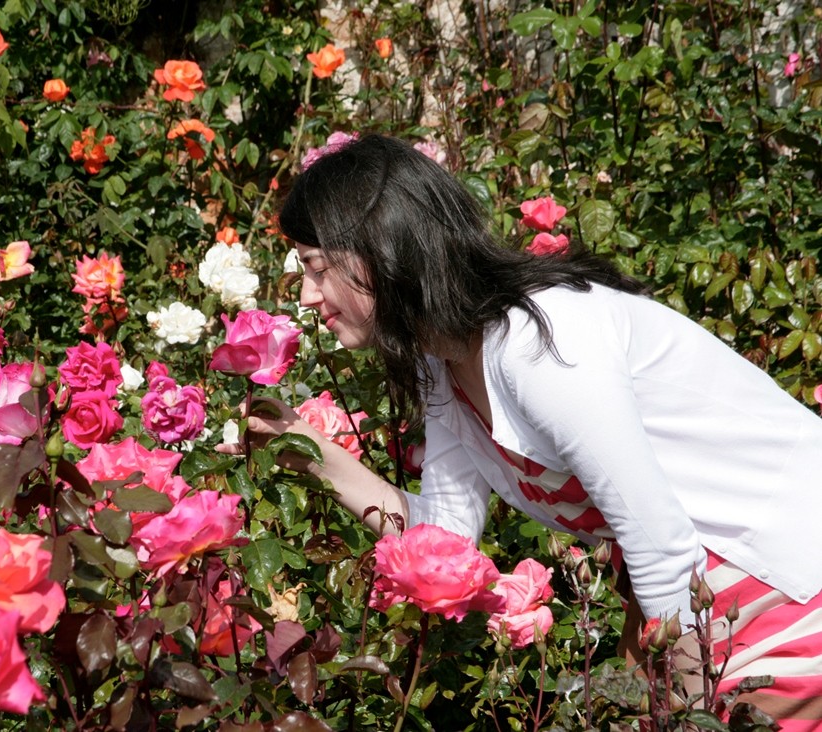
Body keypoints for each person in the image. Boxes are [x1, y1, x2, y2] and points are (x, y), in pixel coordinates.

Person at [221, 134, 822, 727]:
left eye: (317, 268)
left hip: (779, 574)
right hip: (695, 592)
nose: (306, 295)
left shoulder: (539, 345)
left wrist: (685, 714)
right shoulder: (446, 361)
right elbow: (445, 540)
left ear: (380, 251)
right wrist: (311, 452)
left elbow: (661, 546)